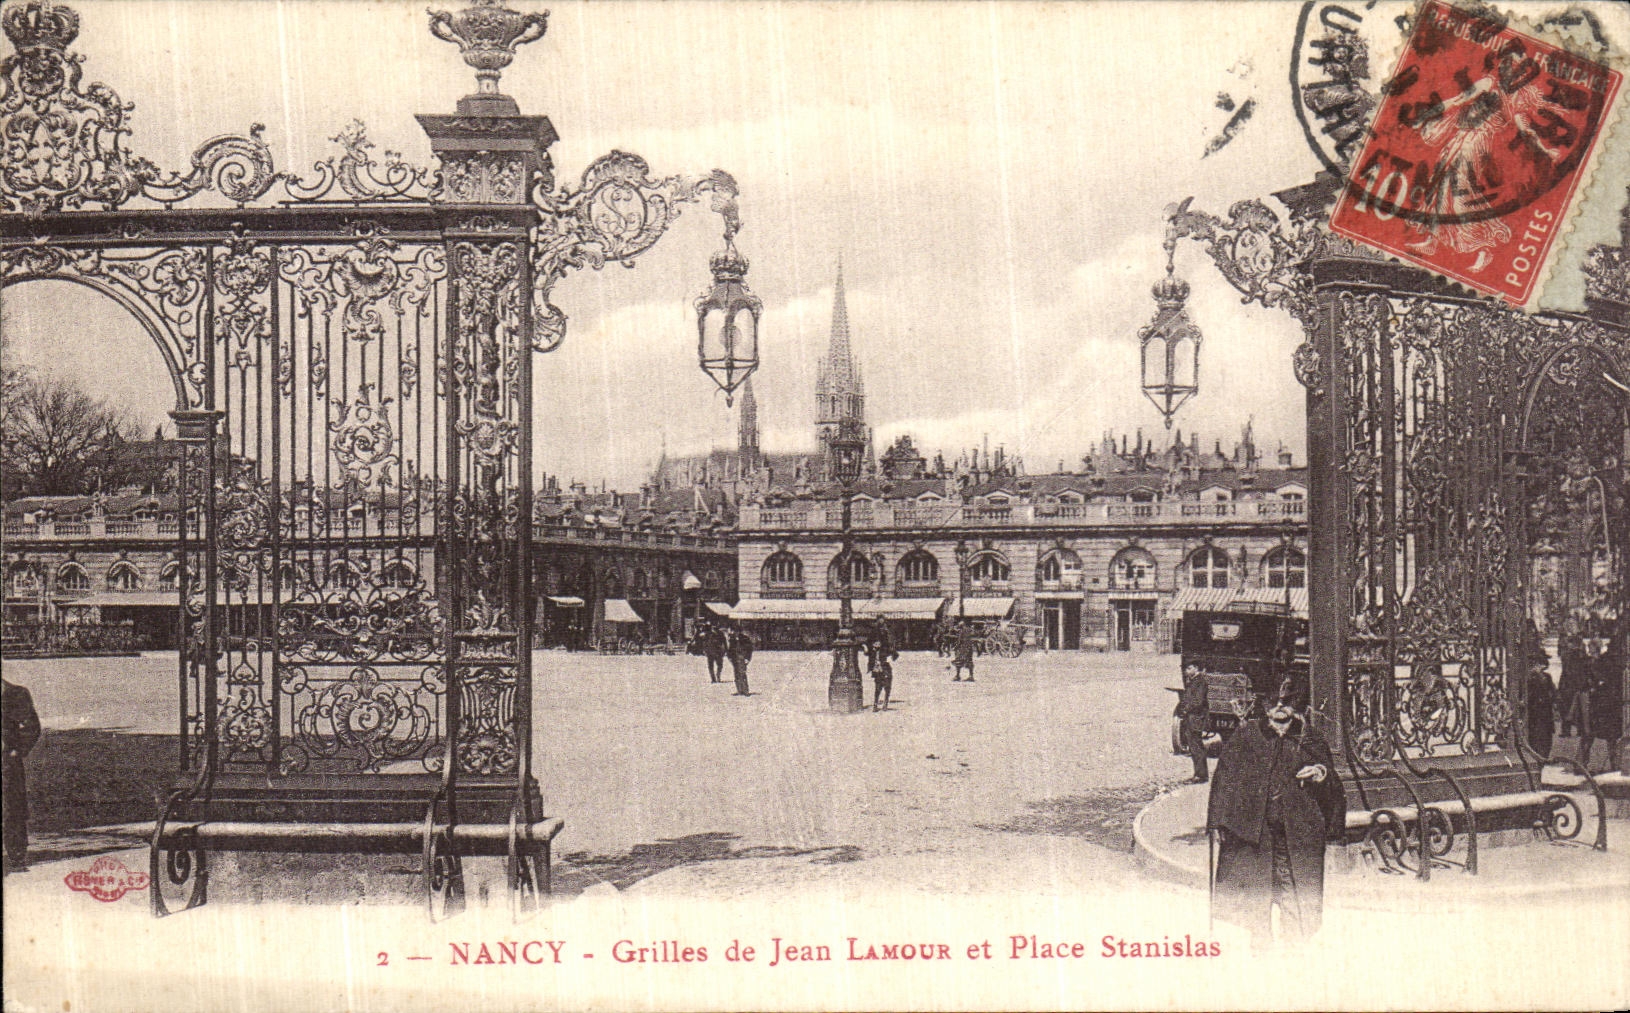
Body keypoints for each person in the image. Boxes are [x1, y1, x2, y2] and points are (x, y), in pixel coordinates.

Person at [1205, 680, 1345, 952]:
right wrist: (1217, 821)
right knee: (1258, 895)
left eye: (1288, 702)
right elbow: (1224, 778)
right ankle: (1262, 949)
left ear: (1297, 705)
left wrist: (1320, 772)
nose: (1280, 708)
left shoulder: (1310, 737)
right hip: (1256, 834)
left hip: (1296, 834)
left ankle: (1293, 953)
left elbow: (1333, 782)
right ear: (1264, 704)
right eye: (1274, 702)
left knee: (1294, 894)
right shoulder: (1247, 736)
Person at [3, 677, 42, 875]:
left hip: (6, 764)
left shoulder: (13, 693)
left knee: (12, 809)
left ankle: (17, 856)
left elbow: (32, 727)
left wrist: (16, 751)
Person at [1177, 663, 1211, 783]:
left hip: (1196, 718)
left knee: (1196, 746)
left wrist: (1186, 709)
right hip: (1192, 718)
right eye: (1186, 668)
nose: (1186, 671)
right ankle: (1199, 774)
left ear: (1196, 668)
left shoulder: (1200, 681)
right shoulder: (1193, 681)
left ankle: (1201, 775)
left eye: (1189, 668)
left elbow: (1198, 701)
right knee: (1194, 746)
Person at [867, 623, 899, 712]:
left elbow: (895, 655)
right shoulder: (872, 652)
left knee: (887, 687)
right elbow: (867, 654)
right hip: (877, 670)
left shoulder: (885, 649)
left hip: (885, 669)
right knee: (877, 688)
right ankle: (875, 704)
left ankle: (885, 703)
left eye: (877, 643)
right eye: (875, 643)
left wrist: (892, 652)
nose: (876, 644)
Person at [727, 626, 755, 697]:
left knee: (742, 674)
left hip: (742, 658)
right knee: (736, 674)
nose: (732, 632)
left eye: (734, 631)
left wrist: (747, 658)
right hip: (734, 659)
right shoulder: (732, 639)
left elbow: (749, 649)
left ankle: (745, 690)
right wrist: (729, 657)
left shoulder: (745, 639)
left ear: (738, 631)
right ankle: (739, 690)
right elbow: (730, 649)